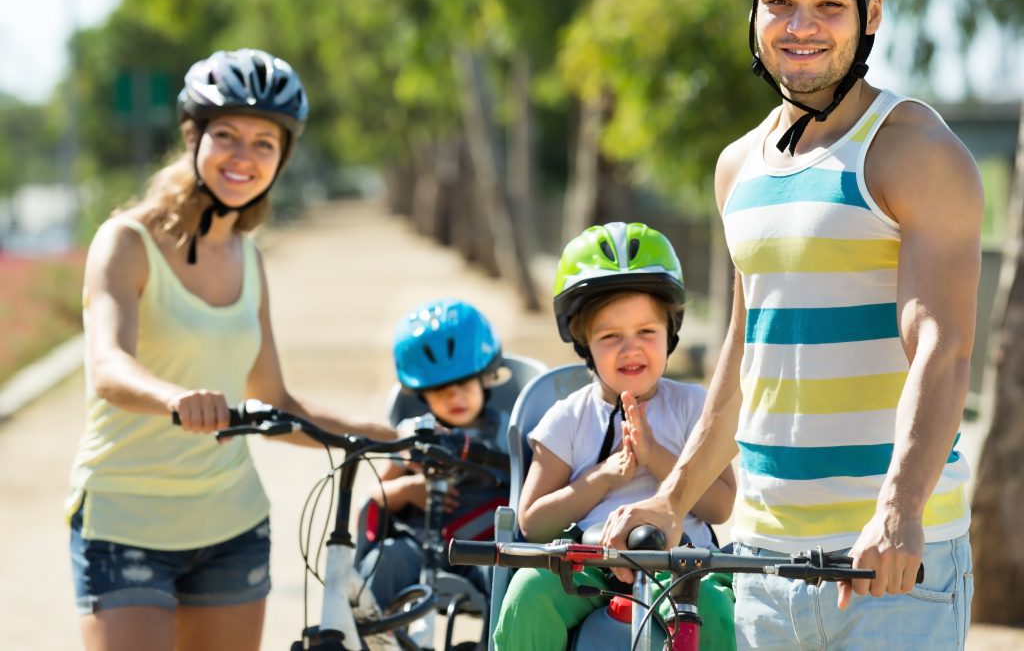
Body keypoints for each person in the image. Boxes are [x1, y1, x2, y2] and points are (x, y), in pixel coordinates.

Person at [602, 0, 983, 650]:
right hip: (761, 560)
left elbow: (941, 346)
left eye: (829, 5)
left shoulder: (913, 149)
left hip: (893, 564)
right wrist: (673, 500)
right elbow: (747, 356)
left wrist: (900, 508)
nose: (800, 26)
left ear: (872, 14)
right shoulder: (737, 167)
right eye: (779, 1)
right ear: (754, 14)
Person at [66, 48, 397, 651]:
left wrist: (384, 435)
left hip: (232, 527)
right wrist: (177, 399)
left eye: (264, 144)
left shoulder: (249, 260)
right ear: (194, 138)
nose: (243, 157)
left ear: (281, 158)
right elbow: (109, 367)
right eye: (227, 136)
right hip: (124, 522)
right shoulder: (127, 241)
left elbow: (272, 403)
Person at [493, 222, 737, 650]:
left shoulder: (694, 406)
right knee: (528, 594)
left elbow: (720, 507)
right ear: (583, 342)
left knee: (718, 612)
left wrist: (654, 456)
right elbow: (532, 523)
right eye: (610, 336)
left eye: (647, 332)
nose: (631, 348)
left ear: (671, 333)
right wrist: (605, 476)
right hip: (585, 564)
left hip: (681, 567)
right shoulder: (567, 418)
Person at [357, 298, 512, 614]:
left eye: (464, 384)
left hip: (482, 550)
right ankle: (373, 641)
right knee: (382, 562)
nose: (455, 397)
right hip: (420, 547)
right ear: (422, 393)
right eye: (441, 390)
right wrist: (407, 490)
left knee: (508, 577)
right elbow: (378, 494)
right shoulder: (415, 434)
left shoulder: (507, 432)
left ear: (485, 376)